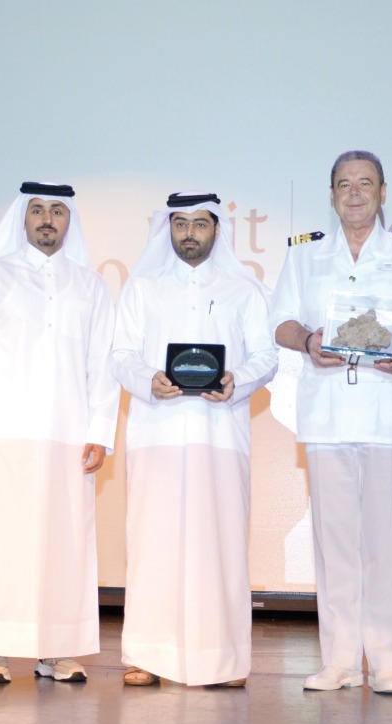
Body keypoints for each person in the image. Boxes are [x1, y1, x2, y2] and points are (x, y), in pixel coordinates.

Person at [271, 150, 392, 694]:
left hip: (388, 412)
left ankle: (387, 662)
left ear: (383, 191)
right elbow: (280, 322)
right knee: (334, 542)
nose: (354, 193)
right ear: (331, 196)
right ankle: (340, 661)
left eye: (365, 183)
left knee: (382, 542)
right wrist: (305, 340)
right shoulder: (306, 256)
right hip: (326, 412)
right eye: (344, 184)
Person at [0, 182, 119, 683]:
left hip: (68, 436)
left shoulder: (91, 285)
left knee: (63, 545)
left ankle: (56, 649)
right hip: (3, 435)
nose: (47, 219)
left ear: (69, 221)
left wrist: (100, 432)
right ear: (23, 218)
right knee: (0, 543)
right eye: (37, 210)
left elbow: (102, 364)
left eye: (57, 211)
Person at [112, 192, 278, 688]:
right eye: (180, 224)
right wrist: (148, 380)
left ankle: (222, 660)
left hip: (220, 436)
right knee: (152, 545)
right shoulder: (142, 289)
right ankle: (147, 655)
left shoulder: (242, 290)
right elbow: (121, 354)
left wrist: (236, 381)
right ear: (169, 229)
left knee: (221, 545)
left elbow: (266, 356)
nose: (189, 233)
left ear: (216, 230)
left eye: (199, 224)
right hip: (156, 434)